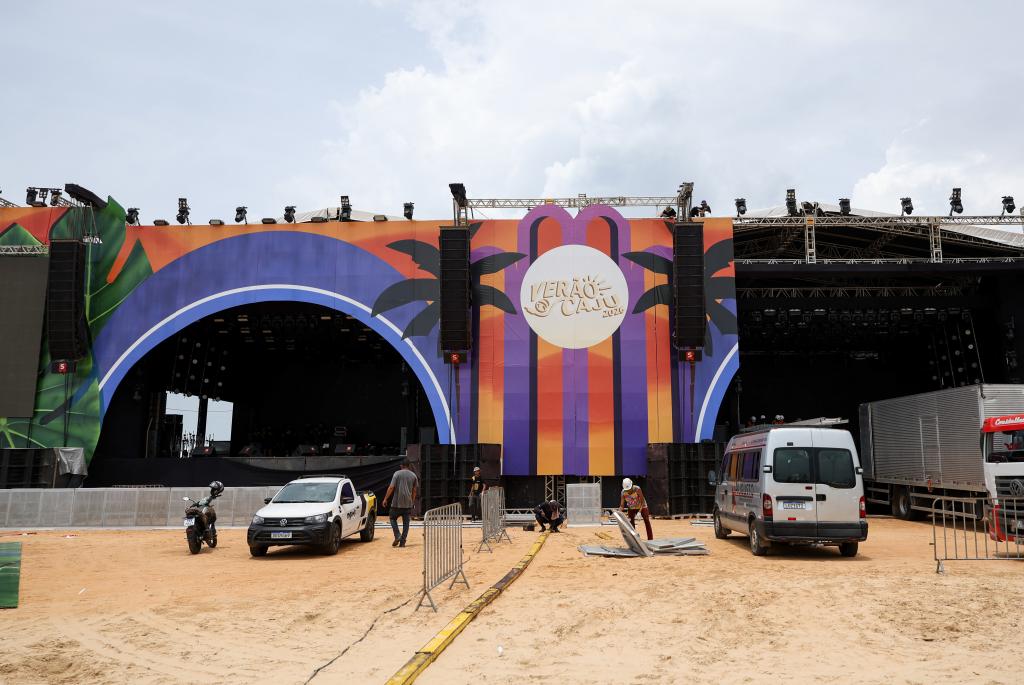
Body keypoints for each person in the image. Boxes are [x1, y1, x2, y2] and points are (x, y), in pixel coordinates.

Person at [382, 459, 418, 548]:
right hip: (407, 504)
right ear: (409, 466)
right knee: (406, 523)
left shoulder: (397, 474)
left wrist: (385, 499)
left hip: (396, 503)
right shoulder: (414, 475)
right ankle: (402, 542)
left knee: (392, 518)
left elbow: (391, 487)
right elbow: (414, 491)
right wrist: (412, 501)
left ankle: (397, 535)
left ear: (401, 465)